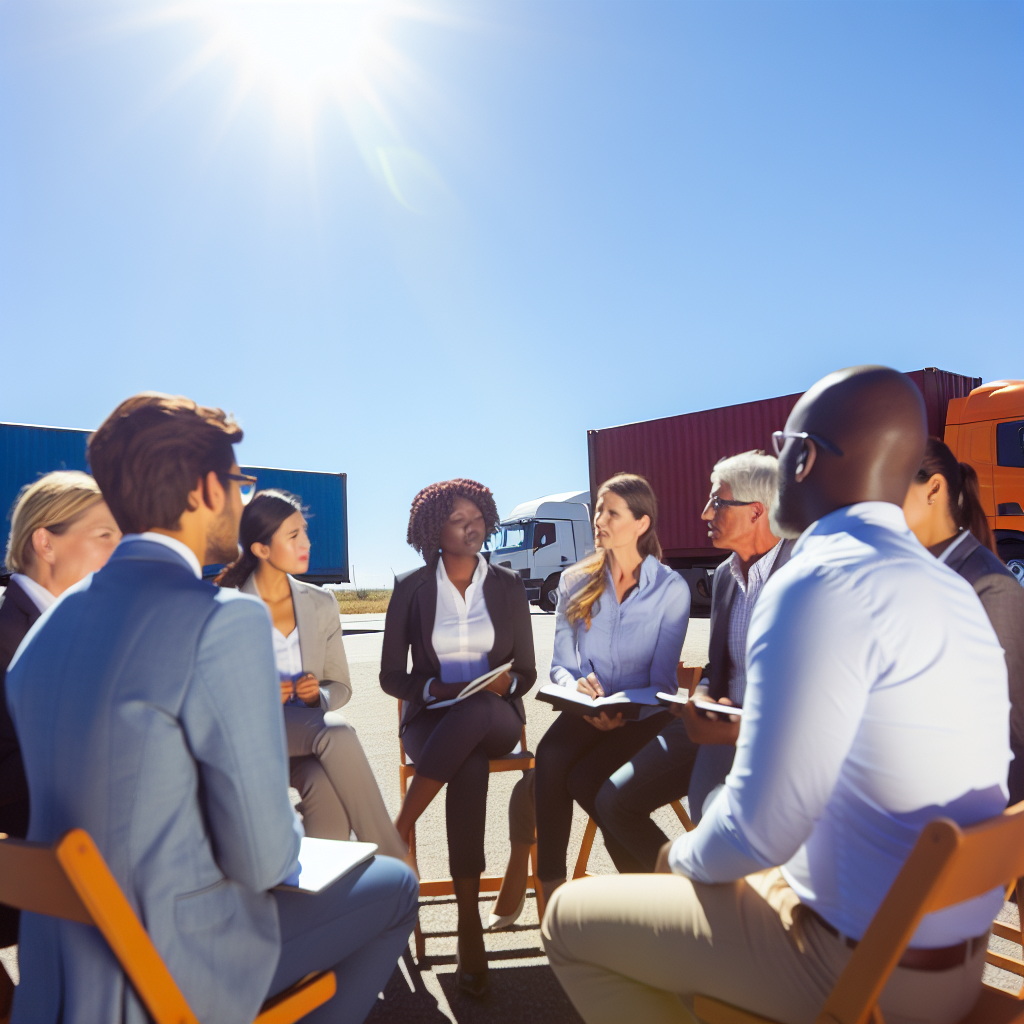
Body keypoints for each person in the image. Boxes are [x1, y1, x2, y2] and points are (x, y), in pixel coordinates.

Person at [542, 366, 1010, 1024]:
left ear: (805, 456)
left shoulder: (819, 581)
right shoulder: (950, 590)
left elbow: (761, 831)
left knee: (570, 923)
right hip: (950, 963)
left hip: (861, 973)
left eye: (783, 443)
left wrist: (674, 858)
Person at [5, 393, 417, 1024]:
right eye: (238, 483)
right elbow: (263, 858)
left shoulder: (44, 633)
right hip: (170, 965)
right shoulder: (223, 621)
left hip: (61, 978)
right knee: (395, 888)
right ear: (203, 490)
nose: (242, 501)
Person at [592, 451, 793, 873]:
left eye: (718, 502)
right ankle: (673, 903)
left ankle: (708, 904)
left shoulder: (805, 573)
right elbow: (721, 667)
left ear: (757, 511)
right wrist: (700, 696)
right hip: (714, 726)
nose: (705, 512)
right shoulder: (723, 576)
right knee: (613, 801)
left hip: (777, 738)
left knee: (717, 832)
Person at [380, 479, 537, 997]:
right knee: (464, 764)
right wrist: (436, 687)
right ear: (434, 531)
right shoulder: (410, 588)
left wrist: (503, 683)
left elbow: (528, 672)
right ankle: (469, 922)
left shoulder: (510, 585)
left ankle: (400, 826)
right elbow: (390, 677)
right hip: (430, 722)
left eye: (478, 518)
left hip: (496, 718)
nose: (473, 528)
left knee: (474, 713)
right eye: (458, 521)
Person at [217, 489, 405, 857]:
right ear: (261, 549)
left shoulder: (322, 603)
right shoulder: (224, 604)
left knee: (329, 801)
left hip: (303, 734)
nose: (306, 542)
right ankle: (393, 857)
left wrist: (315, 695)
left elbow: (340, 684)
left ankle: (314, 904)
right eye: (293, 535)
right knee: (337, 730)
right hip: (245, 735)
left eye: (304, 531)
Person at [534, 474, 689, 899]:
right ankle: (551, 890)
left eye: (612, 512)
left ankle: (660, 885)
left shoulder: (670, 589)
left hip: (643, 714)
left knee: (586, 779)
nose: (599, 520)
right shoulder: (572, 582)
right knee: (549, 756)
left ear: (641, 523)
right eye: (598, 510)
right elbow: (560, 666)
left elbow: (662, 681)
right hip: (586, 709)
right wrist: (578, 687)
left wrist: (623, 708)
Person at [0, 471, 121, 1013]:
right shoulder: (20, 640)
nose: (118, 553)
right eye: (104, 535)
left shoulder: (54, 627)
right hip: (63, 876)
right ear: (45, 543)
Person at [903, 436, 1024, 804]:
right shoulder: (914, 574)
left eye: (886, 488)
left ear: (933, 489)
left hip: (970, 824)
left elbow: (1015, 732)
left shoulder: (989, 586)